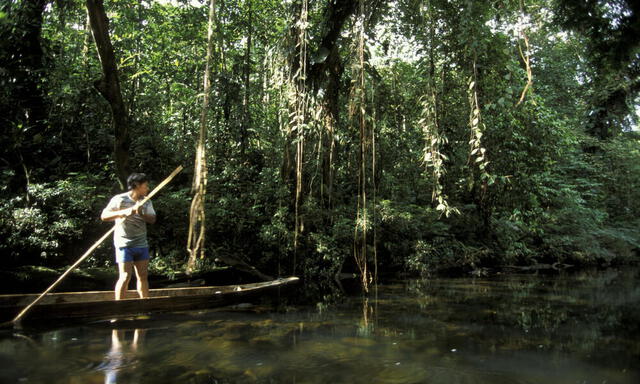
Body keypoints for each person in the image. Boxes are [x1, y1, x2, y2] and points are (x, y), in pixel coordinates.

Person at [101, 173, 156, 300]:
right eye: (145, 186)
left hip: (141, 244)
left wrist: (141, 213)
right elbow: (104, 216)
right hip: (124, 244)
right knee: (125, 276)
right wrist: (124, 212)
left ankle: (145, 307)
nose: (147, 189)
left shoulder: (147, 201)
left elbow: (152, 219)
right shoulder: (119, 199)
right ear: (136, 185)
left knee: (142, 276)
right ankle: (119, 309)